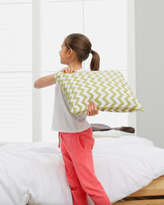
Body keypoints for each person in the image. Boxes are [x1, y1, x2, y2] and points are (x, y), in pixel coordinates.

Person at [34, 33, 111, 205]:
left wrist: (93, 110)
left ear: (70, 52)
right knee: (75, 185)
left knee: (89, 184)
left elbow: (98, 104)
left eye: (62, 47)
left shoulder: (85, 77)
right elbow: (37, 84)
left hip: (78, 136)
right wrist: (60, 75)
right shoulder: (63, 74)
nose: (59, 51)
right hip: (65, 135)